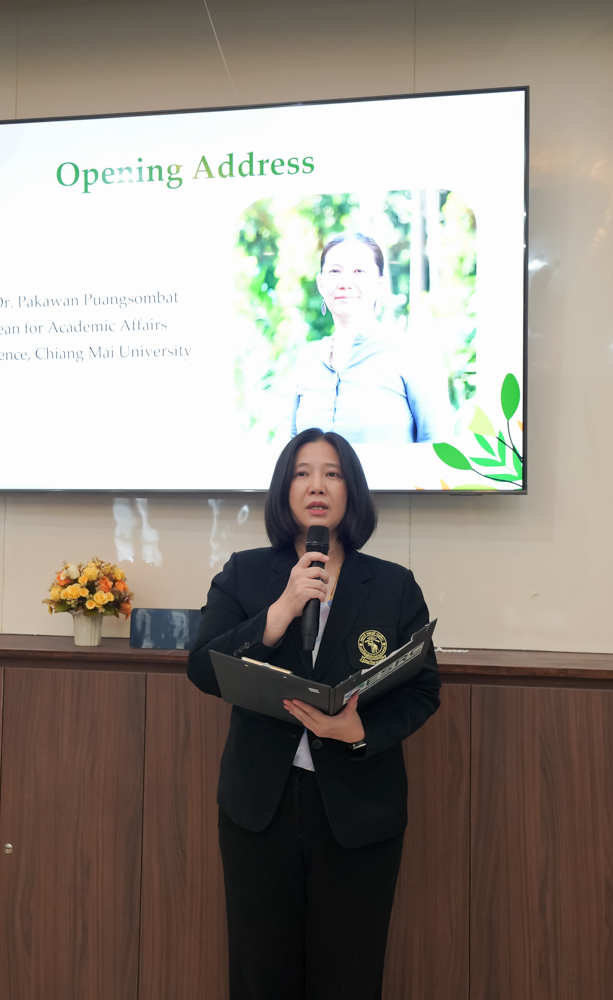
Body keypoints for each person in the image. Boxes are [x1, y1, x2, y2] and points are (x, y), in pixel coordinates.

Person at [187, 428, 441, 1000]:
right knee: (261, 975)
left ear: (352, 491)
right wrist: (281, 610)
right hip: (261, 810)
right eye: (302, 473)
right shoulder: (246, 573)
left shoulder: (394, 586)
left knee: (348, 977)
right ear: (285, 489)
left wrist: (360, 730)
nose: (317, 486)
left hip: (357, 812)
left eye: (332, 474)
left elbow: (423, 690)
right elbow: (202, 668)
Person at [289, 232, 455, 443]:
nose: (345, 282)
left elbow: (439, 446)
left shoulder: (413, 354)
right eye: (334, 271)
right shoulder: (308, 360)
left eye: (358, 271)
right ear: (321, 284)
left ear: (379, 283)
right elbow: (290, 446)